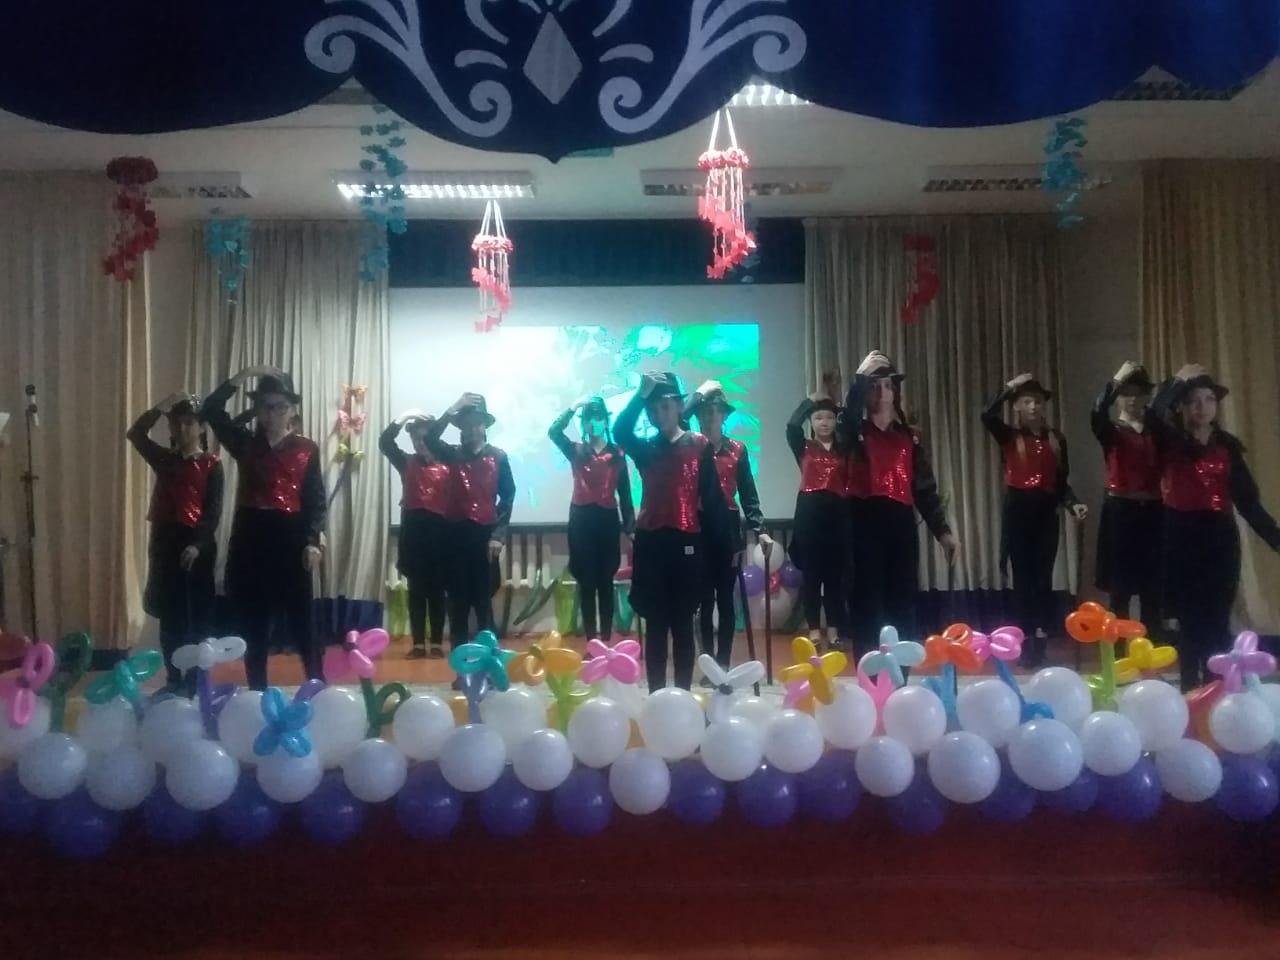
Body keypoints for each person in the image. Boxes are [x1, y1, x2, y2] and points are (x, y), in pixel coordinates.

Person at [1151, 364, 1280, 689]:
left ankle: (1215, 684)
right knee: (1188, 617)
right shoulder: (1169, 442)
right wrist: (1177, 381)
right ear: (1181, 406)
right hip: (1181, 535)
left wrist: (1276, 539)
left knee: (1218, 616)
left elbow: (1248, 503)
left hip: (1219, 538)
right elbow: (1154, 415)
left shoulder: (1227, 448)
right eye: (1193, 400)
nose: (1202, 407)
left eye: (1209, 399)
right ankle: (1188, 684)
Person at [203, 368, 326, 690]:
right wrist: (244, 375)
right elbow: (211, 410)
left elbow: (315, 499)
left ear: (291, 410)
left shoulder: (307, 449)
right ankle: (257, 689)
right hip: (252, 535)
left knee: (302, 619)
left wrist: (313, 541)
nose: (272, 414)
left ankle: (317, 685)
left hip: (292, 536)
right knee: (254, 620)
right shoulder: (245, 443)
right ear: (257, 409)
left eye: (279, 407)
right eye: (265, 407)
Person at [615, 372, 729, 690]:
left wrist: (727, 544)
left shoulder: (699, 445)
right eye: (653, 409)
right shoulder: (646, 448)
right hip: (651, 544)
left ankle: (681, 694)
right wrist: (640, 395)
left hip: (686, 542)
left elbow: (713, 498)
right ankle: (656, 694)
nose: (659, 414)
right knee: (655, 625)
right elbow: (620, 430)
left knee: (682, 624)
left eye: (666, 407)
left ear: (679, 407)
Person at [841, 352, 957, 655]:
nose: (882, 392)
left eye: (887, 386)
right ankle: (870, 668)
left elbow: (924, 487)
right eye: (874, 386)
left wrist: (943, 532)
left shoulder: (908, 438)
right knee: (867, 598)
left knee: (902, 596)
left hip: (900, 523)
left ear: (895, 392)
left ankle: (900, 669)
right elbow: (848, 418)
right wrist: (860, 378)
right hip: (864, 522)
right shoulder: (854, 432)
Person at [982, 372, 1087, 667]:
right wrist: (1009, 388)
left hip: (1046, 514)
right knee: (1023, 580)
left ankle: (1040, 639)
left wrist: (1073, 504)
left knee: (1042, 580)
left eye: (1038, 402)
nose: (1033, 407)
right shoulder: (1009, 436)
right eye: (1027, 401)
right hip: (1018, 512)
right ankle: (1024, 640)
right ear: (1017, 406)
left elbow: (1061, 482)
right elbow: (986, 415)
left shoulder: (1056, 439)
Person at [127, 393, 224, 692]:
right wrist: (161, 406)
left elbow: (213, 511)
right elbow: (136, 434)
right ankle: (173, 678)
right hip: (165, 542)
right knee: (170, 618)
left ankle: (195, 679)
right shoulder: (165, 459)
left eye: (189, 423)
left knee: (195, 616)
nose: (182, 429)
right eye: (176, 423)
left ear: (201, 427)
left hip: (196, 546)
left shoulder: (212, 464)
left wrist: (197, 544)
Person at [684, 380, 774, 668]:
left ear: (724, 415)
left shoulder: (737, 449)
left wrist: (760, 530)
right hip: (698, 526)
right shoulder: (690, 447)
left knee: (725, 597)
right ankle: (708, 662)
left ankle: (723, 662)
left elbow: (748, 493)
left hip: (728, 527)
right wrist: (698, 394)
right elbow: (680, 418)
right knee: (703, 599)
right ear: (698, 415)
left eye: (716, 411)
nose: (711, 417)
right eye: (705, 411)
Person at [423, 393, 515, 642]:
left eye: (477, 423)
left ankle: (488, 659)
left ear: (485, 426)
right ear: (460, 428)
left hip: (485, 538)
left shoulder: (498, 456)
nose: (472, 429)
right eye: (466, 424)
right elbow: (430, 439)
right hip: (454, 538)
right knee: (457, 605)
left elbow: (508, 496)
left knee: (484, 603)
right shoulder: (451, 454)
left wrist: (498, 535)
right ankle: (460, 661)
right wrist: (453, 408)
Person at [548, 396, 634, 642]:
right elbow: (554, 432)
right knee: (586, 582)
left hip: (607, 520)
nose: (594, 423)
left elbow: (625, 494)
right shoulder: (575, 450)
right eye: (588, 419)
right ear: (583, 423)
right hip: (581, 521)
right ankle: (591, 640)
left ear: (606, 421)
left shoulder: (617, 454)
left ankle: (605, 639)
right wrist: (572, 408)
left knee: (605, 581)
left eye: (598, 418)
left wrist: (630, 528)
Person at [1091, 361, 1162, 632]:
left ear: (1146, 396)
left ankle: (1152, 644)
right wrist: (1115, 382)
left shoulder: (1157, 430)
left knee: (1152, 588)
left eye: (1138, 393)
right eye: (1126, 393)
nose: (1132, 399)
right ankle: (1119, 649)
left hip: (1154, 510)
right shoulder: (1111, 431)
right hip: (1120, 511)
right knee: (1119, 589)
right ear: (1119, 397)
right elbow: (1097, 412)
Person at [380, 410, 453, 659]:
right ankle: (419, 643)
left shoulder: (448, 463)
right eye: (415, 439)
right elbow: (385, 443)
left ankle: (436, 642)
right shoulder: (406, 462)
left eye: (423, 438)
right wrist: (403, 417)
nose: (420, 443)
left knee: (437, 592)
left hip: (441, 536)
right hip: (414, 536)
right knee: (416, 591)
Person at [785, 390, 851, 652]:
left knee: (834, 578)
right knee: (811, 577)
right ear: (811, 422)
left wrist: (841, 407)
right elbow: (792, 426)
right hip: (809, 515)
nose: (824, 422)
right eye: (818, 418)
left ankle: (833, 631)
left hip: (837, 515)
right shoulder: (803, 447)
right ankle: (813, 630)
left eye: (829, 418)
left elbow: (852, 426)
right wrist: (809, 402)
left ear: (836, 421)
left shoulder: (845, 449)